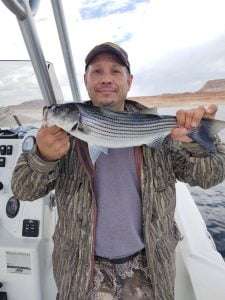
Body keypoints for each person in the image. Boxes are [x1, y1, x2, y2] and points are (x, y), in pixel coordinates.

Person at [11, 42, 225, 300]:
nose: (106, 79)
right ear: (86, 80)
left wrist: (197, 142)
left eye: (115, 71)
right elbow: (22, 189)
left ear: (129, 80)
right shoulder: (54, 136)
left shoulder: (161, 130)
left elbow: (210, 175)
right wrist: (42, 157)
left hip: (148, 267)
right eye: (97, 72)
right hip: (82, 270)